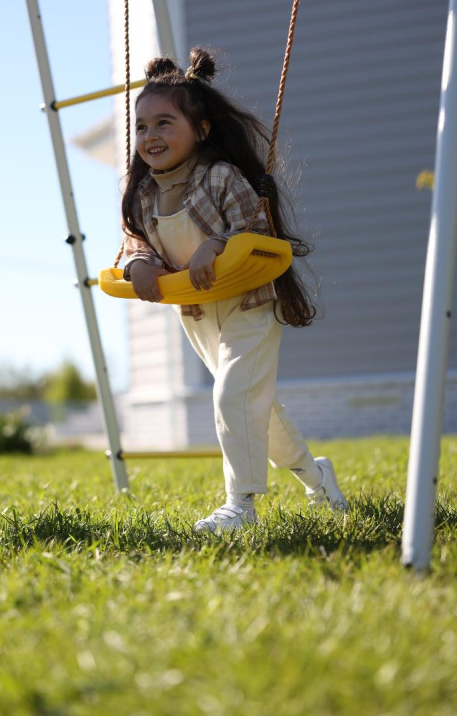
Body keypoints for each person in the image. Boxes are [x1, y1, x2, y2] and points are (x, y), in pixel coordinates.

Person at [121, 47, 348, 533]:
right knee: (255, 406)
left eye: (164, 123)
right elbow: (137, 243)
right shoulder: (143, 195)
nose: (150, 136)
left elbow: (257, 230)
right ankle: (317, 477)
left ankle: (240, 506)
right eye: (141, 127)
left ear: (201, 130)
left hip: (249, 303)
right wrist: (138, 263)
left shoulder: (220, 177)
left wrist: (219, 243)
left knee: (232, 397)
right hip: (198, 311)